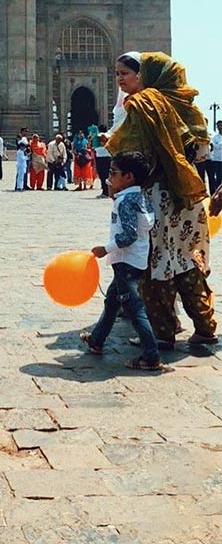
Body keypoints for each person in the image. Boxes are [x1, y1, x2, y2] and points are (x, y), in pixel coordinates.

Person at [105, 51, 217, 346]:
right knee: (187, 260)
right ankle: (206, 329)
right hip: (187, 194)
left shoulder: (145, 104)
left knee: (156, 264)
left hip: (156, 197)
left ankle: (164, 331)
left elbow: (129, 152)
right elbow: (203, 152)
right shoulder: (187, 107)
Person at [80, 152, 169, 371]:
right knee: (112, 301)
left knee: (135, 308)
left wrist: (105, 249)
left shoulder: (125, 202)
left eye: (113, 173)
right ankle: (97, 340)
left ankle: (151, 355)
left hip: (125, 261)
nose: (109, 176)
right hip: (136, 258)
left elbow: (128, 235)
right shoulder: (140, 196)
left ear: (128, 177)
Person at [94, 123, 112, 198]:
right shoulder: (110, 136)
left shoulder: (97, 136)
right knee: (109, 174)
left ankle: (105, 192)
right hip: (108, 156)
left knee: (102, 175)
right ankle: (109, 191)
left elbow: (94, 146)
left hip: (100, 157)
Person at [209, 120, 222, 194]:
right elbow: (215, 147)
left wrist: (219, 145)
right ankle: (217, 195)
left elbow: (218, 146)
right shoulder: (214, 137)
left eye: (221, 125)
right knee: (218, 179)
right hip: (217, 160)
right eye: (218, 126)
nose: (220, 127)